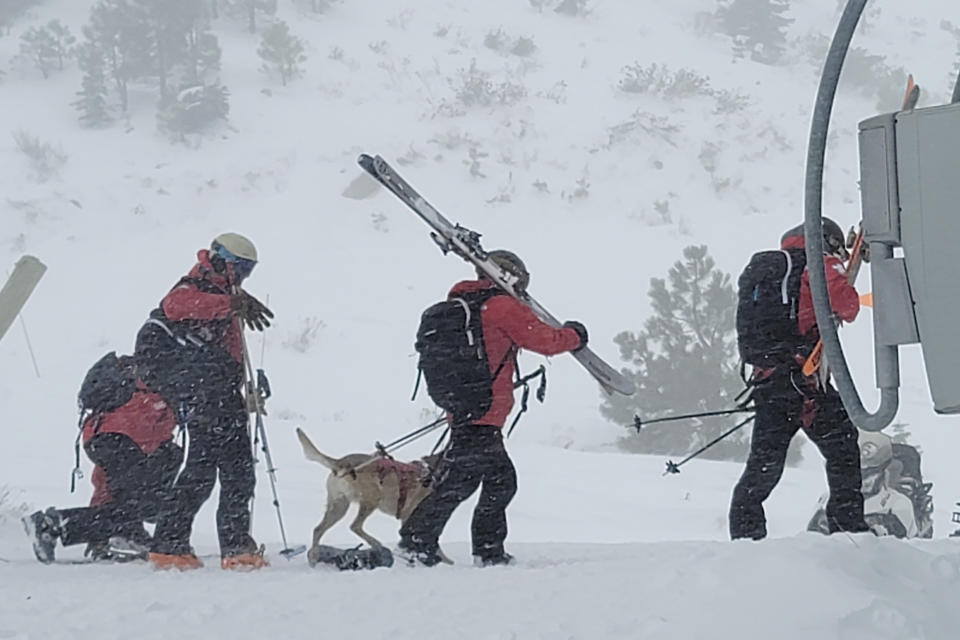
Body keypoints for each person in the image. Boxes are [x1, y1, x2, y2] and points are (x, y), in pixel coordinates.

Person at [398, 250, 588, 567]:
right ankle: (467, 549)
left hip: (465, 409)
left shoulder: (467, 306)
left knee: (464, 481)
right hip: (483, 412)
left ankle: (426, 543)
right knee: (497, 481)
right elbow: (546, 340)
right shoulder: (500, 307)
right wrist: (576, 334)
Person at [134, 233, 273, 570]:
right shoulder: (196, 285)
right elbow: (175, 306)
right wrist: (231, 303)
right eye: (240, 267)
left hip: (211, 389)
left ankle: (173, 545)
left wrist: (242, 387)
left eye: (248, 271)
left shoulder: (224, 294)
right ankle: (230, 547)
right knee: (227, 468)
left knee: (211, 468)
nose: (242, 276)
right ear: (221, 259)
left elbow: (229, 351)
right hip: (201, 388)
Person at [729, 219, 869, 540]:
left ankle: (746, 537)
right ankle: (848, 527)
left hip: (771, 381)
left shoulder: (772, 271)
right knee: (843, 447)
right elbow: (846, 305)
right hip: (802, 382)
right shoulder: (817, 264)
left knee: (765, 464)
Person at [22, 356, 182, 563]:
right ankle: (53, 524)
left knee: (129, 496)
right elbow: (148, 428)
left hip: (103, 435)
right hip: (124, 437)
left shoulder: (143, 380)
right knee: (145, 502)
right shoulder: (165, 385)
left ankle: (116, 534)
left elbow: (105, 486)